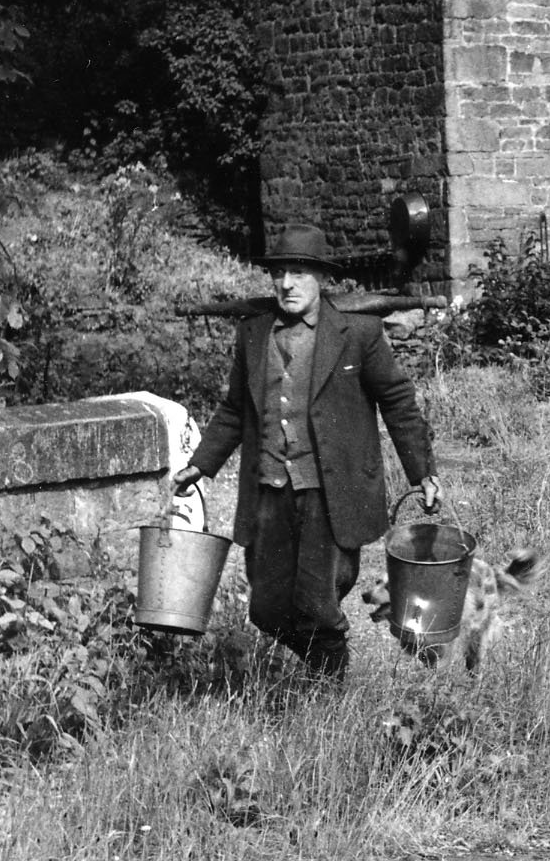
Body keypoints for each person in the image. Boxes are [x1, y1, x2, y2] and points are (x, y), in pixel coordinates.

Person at [171, 221, 439, 677]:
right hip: (269, 488)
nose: (287, 283)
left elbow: (397, 400)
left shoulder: (358, 332)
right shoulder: (253, 333)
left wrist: (422, 472)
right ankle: (327, 668)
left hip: (330, 492)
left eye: (299, 272)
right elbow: (236, 409)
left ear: (322, 278)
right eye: (279, 273)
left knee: (317, 601)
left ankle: (332, 692)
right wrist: (202, 464)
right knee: (267, 608)